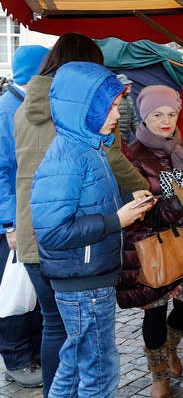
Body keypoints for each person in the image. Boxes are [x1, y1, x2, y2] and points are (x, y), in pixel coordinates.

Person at [14, 32, 149, 397]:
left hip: (68, 256)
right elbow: (56, 228)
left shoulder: (79, 139)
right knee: (96, 367)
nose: (118, 115)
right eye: (110, 107)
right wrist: (115, 220)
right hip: (78, 264)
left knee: (69, 348)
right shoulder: (75, 150)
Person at [117, 85, 183, 398]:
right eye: (157, 114)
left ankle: (171, 347)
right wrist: (172, 197)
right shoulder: (133, 155)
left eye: (171, 113)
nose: (166, 121)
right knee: (154, 312)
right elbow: (146, 209)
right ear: (145, 116)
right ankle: (159, 376)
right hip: (153, 245)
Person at [0, 45, 49, 389]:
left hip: (33, 215)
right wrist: (9, 224)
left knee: (33, 290)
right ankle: (17, 359)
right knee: (14, 291)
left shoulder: (28, 105)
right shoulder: (7, 109)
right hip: (15, 221)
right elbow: (2, 171)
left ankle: (31, 353)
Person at [116, 74, 139, 143]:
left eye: (129, 84)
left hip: (126, 139)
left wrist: (140, 135)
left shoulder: (129, 100)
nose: (129, 86)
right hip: (116, 139)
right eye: (126, 84)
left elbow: (134, 120)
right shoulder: (113, 100)